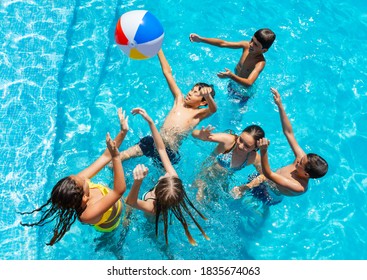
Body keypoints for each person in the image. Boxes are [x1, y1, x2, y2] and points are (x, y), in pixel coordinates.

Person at [20, 109, 129, 245]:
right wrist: (117, 157)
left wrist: (123, 132)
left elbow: (105, 157)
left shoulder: (77, 185)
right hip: (112, 222)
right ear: (84, 197)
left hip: (116, 201)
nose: (84, 178)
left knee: (126, 205)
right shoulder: (87, 215)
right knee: (115, 238)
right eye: (84, 181)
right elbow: (118, 191)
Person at [125, 108, 209, 246]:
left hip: (152, 220)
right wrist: (151, 122)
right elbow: (161, 149)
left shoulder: (152, 207)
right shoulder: (173, 177)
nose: (165, 174)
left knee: (152, 237)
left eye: (163, 178)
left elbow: (131, 202)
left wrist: (138, 182)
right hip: (164, 204)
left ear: (158, 191)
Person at [119, 49, 217, 165]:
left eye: (196, 93)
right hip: (154, 141)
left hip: (169, 152)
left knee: (162, 182)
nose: (190, 93)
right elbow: (167, 73)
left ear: (202, 103)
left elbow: (213, 109)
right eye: (191, 90)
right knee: (119, 157)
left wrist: (208, 96)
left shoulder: (197, 115)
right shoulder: (179, 100)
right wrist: (158, 49)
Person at [232, 88, 328, 203]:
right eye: (301, 158)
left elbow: (269, 174)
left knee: (251, 208)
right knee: (240, 190)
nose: (298, 159)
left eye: (300, 163)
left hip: (270, 194)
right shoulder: (302, 159)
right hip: (265, 177)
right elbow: (289, 133)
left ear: (306, 174)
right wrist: (280, 105)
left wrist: (263, 151)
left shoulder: (298, 186)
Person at [189, 28, 276, 103]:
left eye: (256, 44)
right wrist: (201, 39)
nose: (251, 44)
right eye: (252, 40)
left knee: (234, 113)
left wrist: (231, 76)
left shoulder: (260, 62)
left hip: (243, 92)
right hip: (233, 81)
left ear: (264, 50)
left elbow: (249, 83)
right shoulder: (246, 46)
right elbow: (223, 43)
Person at [191, 124, 265, 201]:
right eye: (240, 140)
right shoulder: (229, 140)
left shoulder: (253, 157)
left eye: (247, 146)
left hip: (222, 182)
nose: (240, 146)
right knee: (198, 201)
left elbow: (265, 175)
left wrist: (247, 186)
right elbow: (193, 133)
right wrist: (200, 135)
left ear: (255, 148)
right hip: (204, 176)